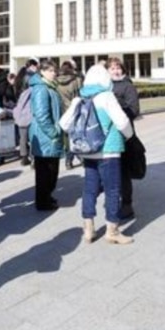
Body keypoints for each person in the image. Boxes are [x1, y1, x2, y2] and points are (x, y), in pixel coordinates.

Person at [60, 64, 135, 245]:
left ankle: (88, 229)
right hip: (109, 150)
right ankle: (112, 230)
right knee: (112, 190)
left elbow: (63, 124)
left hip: (88, 151)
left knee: (89, 189)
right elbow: (122, 122)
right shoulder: (107, 96)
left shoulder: (80, 98)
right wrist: (129, 136)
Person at [107, 58, 140, 219]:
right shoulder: (105, 86)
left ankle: (127, 204)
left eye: (118, 68)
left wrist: (116, 112)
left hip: (123, 133)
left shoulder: (127, 86)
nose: (116, 71)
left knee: (123, 171)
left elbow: (134, 110)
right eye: (112, 68)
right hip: (107, 135)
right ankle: (114, 199)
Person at [29, 60, 64, 210]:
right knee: (45, 172)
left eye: (55, 70)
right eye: (50, 70)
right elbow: (42, 115)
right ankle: (43, 201)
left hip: (49, 136)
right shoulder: (41, 89)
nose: (53, 73)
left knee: (50, 171)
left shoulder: (50, 87)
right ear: (42, 72)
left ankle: (46, 197)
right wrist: (53, 132)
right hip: (45, 136)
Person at [56, 61, 83, 170]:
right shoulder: (76, 80)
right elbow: (81, 94)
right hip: (74, 109)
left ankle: (68, 160)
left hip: (62, 111)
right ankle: (80, 156)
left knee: (66, 137)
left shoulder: (55, 81)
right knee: (76, 134)